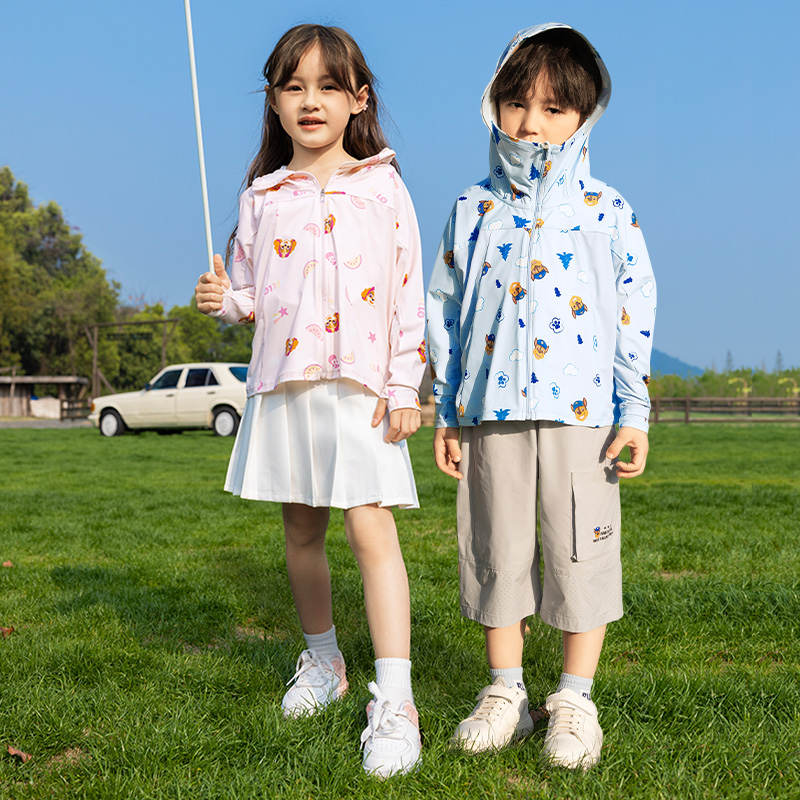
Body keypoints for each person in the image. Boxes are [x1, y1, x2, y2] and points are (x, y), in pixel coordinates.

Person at [194, 24, 426, 778]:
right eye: (293, 86)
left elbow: (407, 297)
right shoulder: (261, 196)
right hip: (288, 385)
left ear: (359, 99)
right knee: (301, 528)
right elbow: (253, 295)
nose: (310, 100)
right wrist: (224, 299)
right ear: (274, 101)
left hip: (362, 387)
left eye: (328, 85)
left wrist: (405, 388)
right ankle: (324, 662)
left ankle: (395, 699)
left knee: (371, 530)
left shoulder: (385, 185)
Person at [426, 23, 656, 770]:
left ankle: (574, 700)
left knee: (578, 553)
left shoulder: (607, 210)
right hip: (490, 410)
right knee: (497, 551)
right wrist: (449, 410)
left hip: (582, 417)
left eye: (555, 108)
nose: (532, 123)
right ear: (491, 104)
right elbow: (445, 311)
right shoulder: (471, 208)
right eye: (517, 103)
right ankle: (504, 694)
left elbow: (632, 313)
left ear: (585, 117)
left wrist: (634, 411)